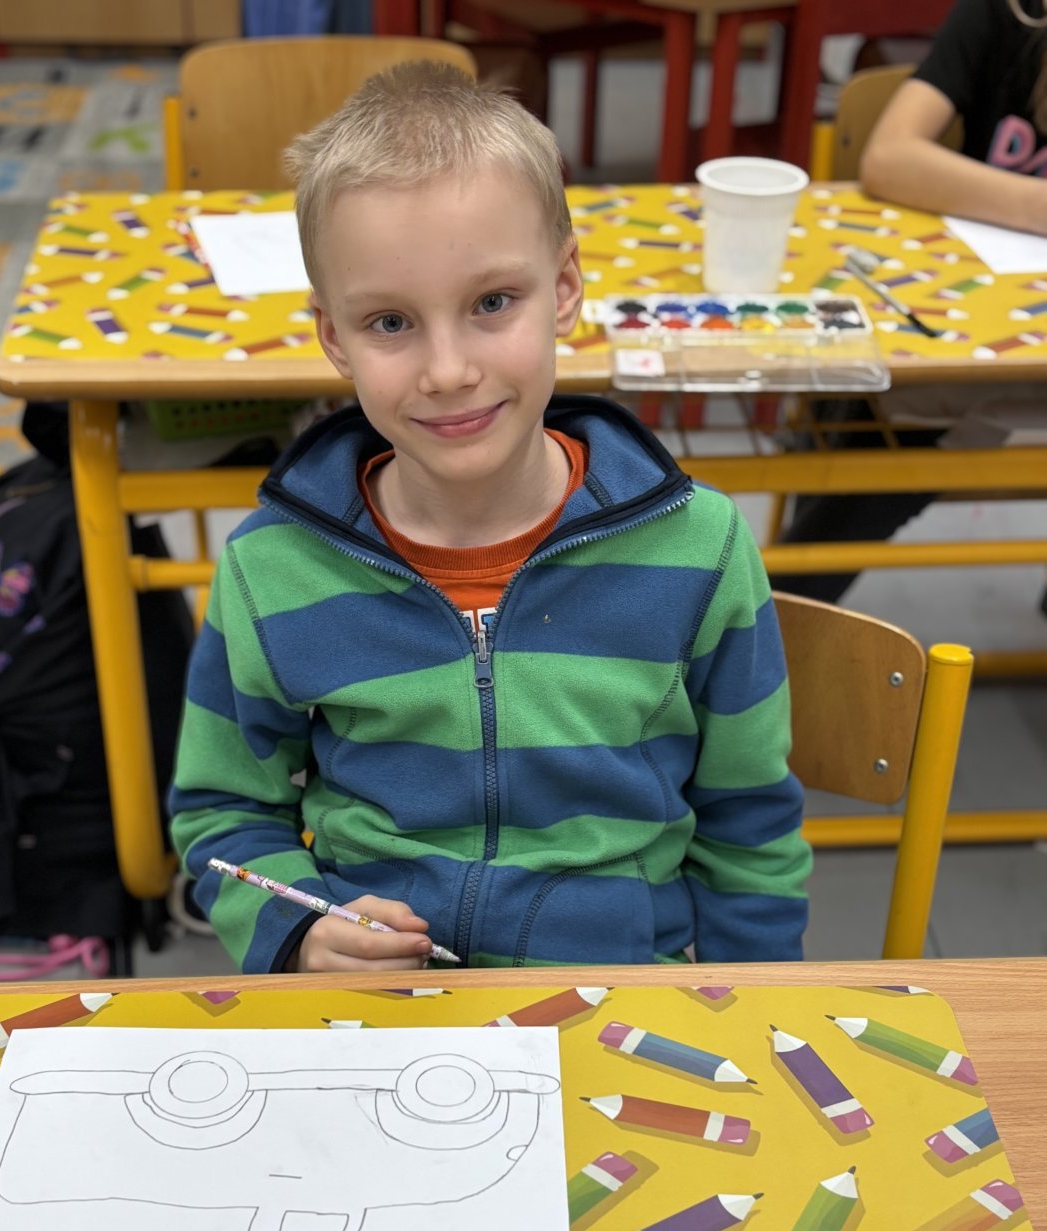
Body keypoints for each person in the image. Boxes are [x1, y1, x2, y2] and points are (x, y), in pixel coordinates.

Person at [170, 62, 811, 974]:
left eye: (492, 304)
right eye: (390, 323)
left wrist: (757, 1001)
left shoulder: (699, 548)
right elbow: (220, 816)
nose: (448, 371)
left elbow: (750, 826)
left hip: (620, 998)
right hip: (381, 1015)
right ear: (333, 337)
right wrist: (299, 930)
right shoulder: (271, 569)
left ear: (565, 287)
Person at [776, 0, 1047, 603]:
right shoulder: (1008, 16)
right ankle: (784, 614)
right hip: (978, 323)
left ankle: (785, 608)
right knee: (903, 406)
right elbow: (889, 156)